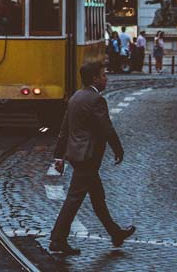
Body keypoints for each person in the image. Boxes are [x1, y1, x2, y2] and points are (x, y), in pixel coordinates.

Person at [49, 60, 135, 255]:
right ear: (95, 79)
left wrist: (59, 156)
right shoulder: (96, 100)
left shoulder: (75, 97)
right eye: (104, 75)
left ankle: (115, 233)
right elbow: (106, 128)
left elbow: (65, 129)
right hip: (88, 157)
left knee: (98, 198)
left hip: (78, 156)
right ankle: (57, 239)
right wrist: (118, 149)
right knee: (73, 199)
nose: (106, 78)